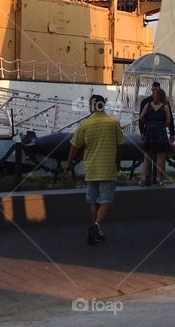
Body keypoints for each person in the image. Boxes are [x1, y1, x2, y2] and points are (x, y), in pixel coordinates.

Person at [65, 95, 124, 246]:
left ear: (91, 106)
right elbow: (119, 146)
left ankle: (97, 229)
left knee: (93, 200)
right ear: (103, 105)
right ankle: (97, 226)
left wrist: (69, 162)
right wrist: (118, 163)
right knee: (106, 201)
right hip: (108, 167)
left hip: (91, 168)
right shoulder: (113, 122)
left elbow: (74, 146)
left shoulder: (85, 124)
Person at [139, 85, 173, 186]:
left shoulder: (148, 105)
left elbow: (141, 117)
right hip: (161, 133)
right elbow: (168, 122)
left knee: (147, 157)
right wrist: (161, 125)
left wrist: (149, 123)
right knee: (160, 158)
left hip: (150, 133)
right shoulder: (165, 107)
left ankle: (144, 178)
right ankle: (159, 179)